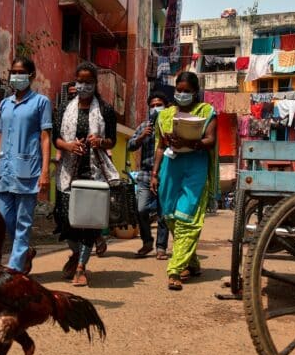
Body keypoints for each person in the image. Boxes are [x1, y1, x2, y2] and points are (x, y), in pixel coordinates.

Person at [0, 57, 52, 275]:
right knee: (2, 221)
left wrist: (45, 172)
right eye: (13, 72)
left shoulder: (41, 102)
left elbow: (45, 138)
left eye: (20, 72)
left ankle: (15, 269)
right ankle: (24, 251)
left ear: (31, 76)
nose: (16, 76)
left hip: (28, 171)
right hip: (4, 173)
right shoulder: (4, 104)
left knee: (23, 222)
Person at [151, 71, 218, 291]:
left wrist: (191, 141)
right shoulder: (165, 115)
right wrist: (154, 173)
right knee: (170, 216)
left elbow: (210, 139)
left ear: (195, 92)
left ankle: (175, 269)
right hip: (170, 169)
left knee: (187, 218)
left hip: (196, 168)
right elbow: (160, 146)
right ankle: (192, 262)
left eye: (186, 91)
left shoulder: (206, 111)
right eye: (178, 90)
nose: (181, 94)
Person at [53, 62, 118, 287]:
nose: (83, 86)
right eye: (80, 81)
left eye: (88, 82)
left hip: (93, 172)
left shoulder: (106, 110)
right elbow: (55, 139)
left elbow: (112, 140)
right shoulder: (64, 108)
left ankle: (81, 266)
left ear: (95, 84)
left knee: (88, 222)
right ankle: (77, 252)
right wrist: (69, 146)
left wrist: (99, 141)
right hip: (68, 172)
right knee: (64, 219)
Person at [127, 91, 170, 260]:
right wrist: (142, 136)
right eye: (152, 106)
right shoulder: (144, 126)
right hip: (145, 174)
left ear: (166, 106)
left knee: (163, 213)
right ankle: (147, 241)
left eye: (158, 105)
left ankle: (161, 247)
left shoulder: (170, 124)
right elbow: (130, 145)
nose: (155, 108)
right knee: (141, 208)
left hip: (165, 173)